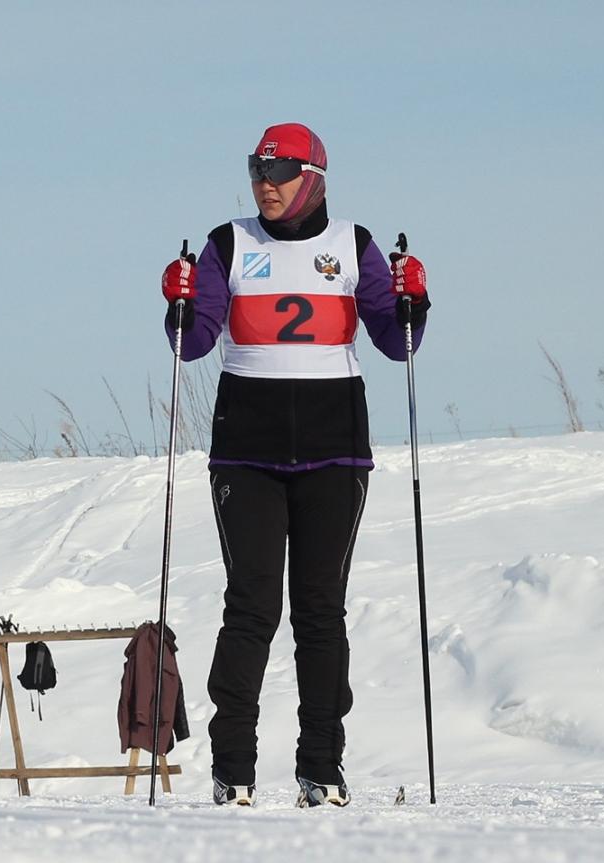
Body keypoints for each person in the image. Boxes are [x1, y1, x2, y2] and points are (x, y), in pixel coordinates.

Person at [157, 123, 430, 808]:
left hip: (334, 449)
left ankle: (321, 767)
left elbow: (398, 343)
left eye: (279, 172)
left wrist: (411, 298)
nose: (265, 185)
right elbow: (192, 346)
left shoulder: (353, 246)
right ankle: (233, 768)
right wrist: (180, 303)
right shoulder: (230, 243)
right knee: (251, 605)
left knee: (320, 609)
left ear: (313, 177)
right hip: (246, 451)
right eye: (257, 170)